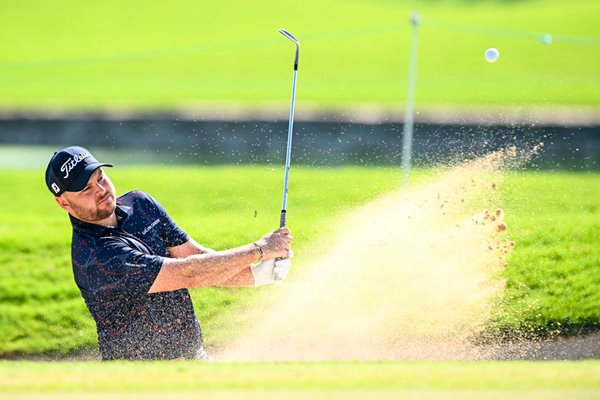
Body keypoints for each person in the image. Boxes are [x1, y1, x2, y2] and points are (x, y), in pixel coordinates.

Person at [45, 146, 293, 360]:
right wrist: (258, 250)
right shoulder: (96, 257)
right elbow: (189, 274)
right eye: (86, 189)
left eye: (100, 177)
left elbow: (195, 256)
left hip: (194, 359)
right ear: (64, 203)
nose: (100, 189)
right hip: (139, 380)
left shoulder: (140, 204)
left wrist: (258, 275)